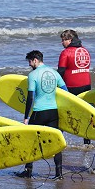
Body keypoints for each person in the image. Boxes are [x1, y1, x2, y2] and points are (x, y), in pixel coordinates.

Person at [16, 50, 68, 179]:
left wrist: (26, 117)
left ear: (35, 60)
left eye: (30, 61)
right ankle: (59, 174)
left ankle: (28, 171)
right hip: (53, 112)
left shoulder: (33, 75)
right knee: (56, 142)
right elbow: (66, 92)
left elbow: (30, 97)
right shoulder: (54, 73)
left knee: (31, 140)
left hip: (39, 112)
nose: (29, 64)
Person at [58, 29, 92, 145]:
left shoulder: (66, 53)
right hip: (86, 86)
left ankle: (58, 139)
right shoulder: (85, 51)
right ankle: (87, 142)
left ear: (70, 40)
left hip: (71, 87)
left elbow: (61, 72)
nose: (62, 43)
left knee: (63, 113)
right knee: (84, 113)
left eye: (64, 40)